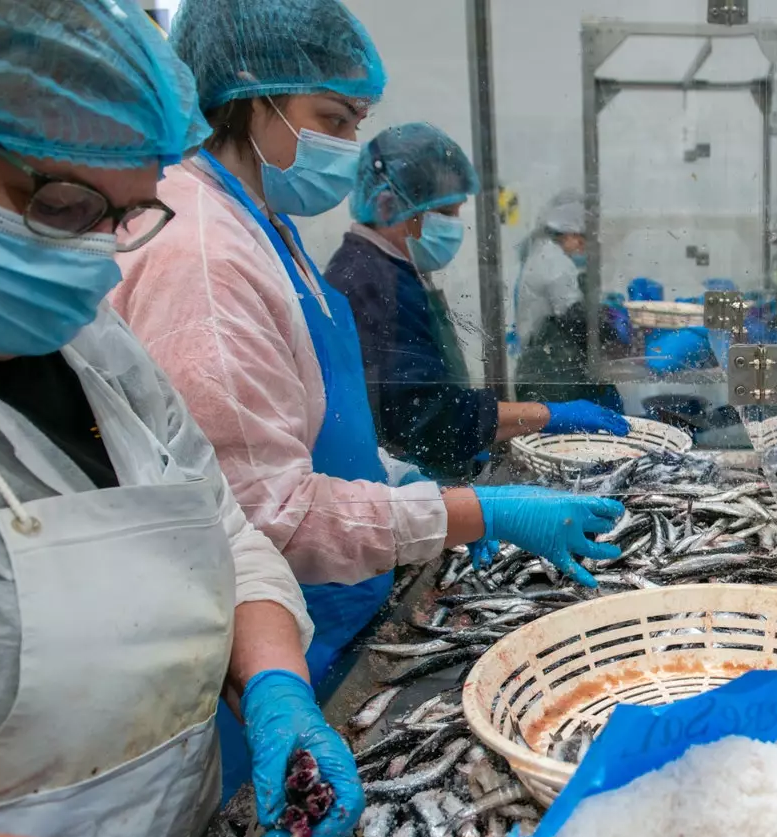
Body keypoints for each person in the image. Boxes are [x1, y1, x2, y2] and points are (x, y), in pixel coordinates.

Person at [0, 2, 363, 837]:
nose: (96, 260)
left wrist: (278, 687)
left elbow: (221, 529)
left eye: (125, 215)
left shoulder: (94, 345)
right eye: (56, 202)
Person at [112, 0, 625, 696]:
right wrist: (478, 510)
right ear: (247, 95)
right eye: (331, 119)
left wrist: (403, 483)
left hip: (335, 587)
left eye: (357, 123)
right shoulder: (205, 253)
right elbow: (265, 512)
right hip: (278, 631)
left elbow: (319, 423)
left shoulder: (263, 226)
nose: (348, 146)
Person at [325, 122, 627, 480]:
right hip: (411, 480)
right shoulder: (371, 284)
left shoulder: (390, 270)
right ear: (389, 206)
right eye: (446, 215)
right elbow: (426, 417)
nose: (455, 228)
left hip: (432, 469)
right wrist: (547, 415)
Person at [514, 189, 623, 408]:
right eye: (581, 240)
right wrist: (611, 325)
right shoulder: (555, 262)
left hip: (541, 364)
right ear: (569, 234)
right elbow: (573, 316)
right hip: (549, 374)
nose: (582, 247)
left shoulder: (542, 252)